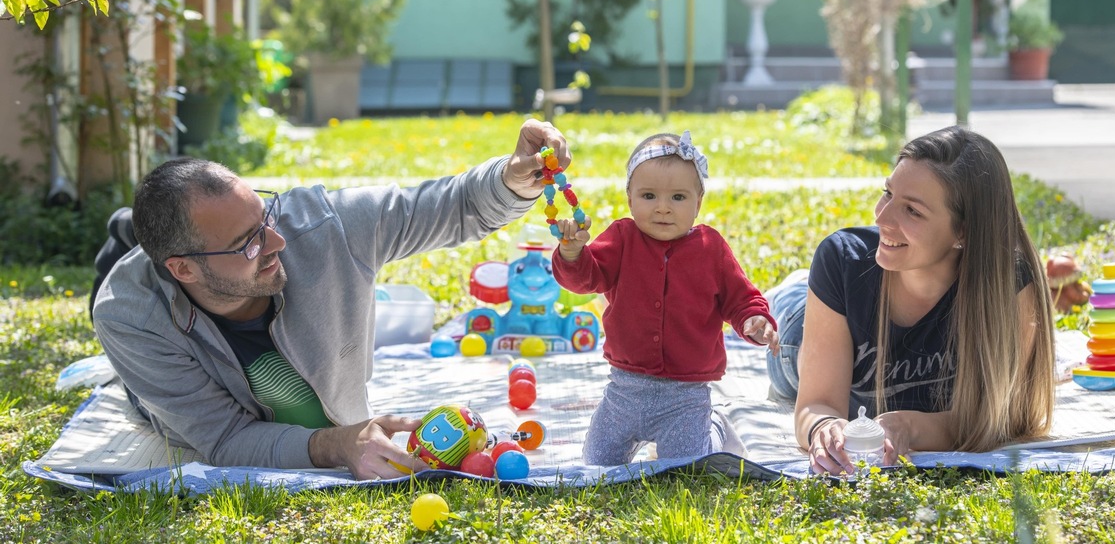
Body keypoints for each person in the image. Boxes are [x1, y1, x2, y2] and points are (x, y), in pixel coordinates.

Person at [91, 119, 571, 480]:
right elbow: (225, 438)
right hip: (159, 341)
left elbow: (451, 205)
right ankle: (123, 234)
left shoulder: (321, 226)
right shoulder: (130, 317)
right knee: (136, 383)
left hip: (191, 259)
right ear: (183, 270)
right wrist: (336, 444)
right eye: (249, 243)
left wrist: (511, 180)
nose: (277, 243)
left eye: (265, 217)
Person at [765, 125, 1056, 475]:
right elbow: (817, 403)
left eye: (913, 211)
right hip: (798, 334)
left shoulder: (1006, 286)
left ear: (963, 232)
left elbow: (1001, 418)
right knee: (784, 331)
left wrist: (908, 426)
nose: (881, 217)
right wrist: (822, 428)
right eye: (887, 194)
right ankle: (792, 289)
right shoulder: (841, 262)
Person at [552, 131, 780, 465]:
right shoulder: (621, 238)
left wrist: (753, 320)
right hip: (624, 392)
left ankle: (712, 427)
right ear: (630, 199)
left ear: (697, 203)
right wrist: (572, 254)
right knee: (596, 465)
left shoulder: (710, 248)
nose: (662, 208)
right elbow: (587, 277)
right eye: (648, 196)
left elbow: (741, 298)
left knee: (687, 468)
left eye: (677, 197)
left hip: (685, 397)